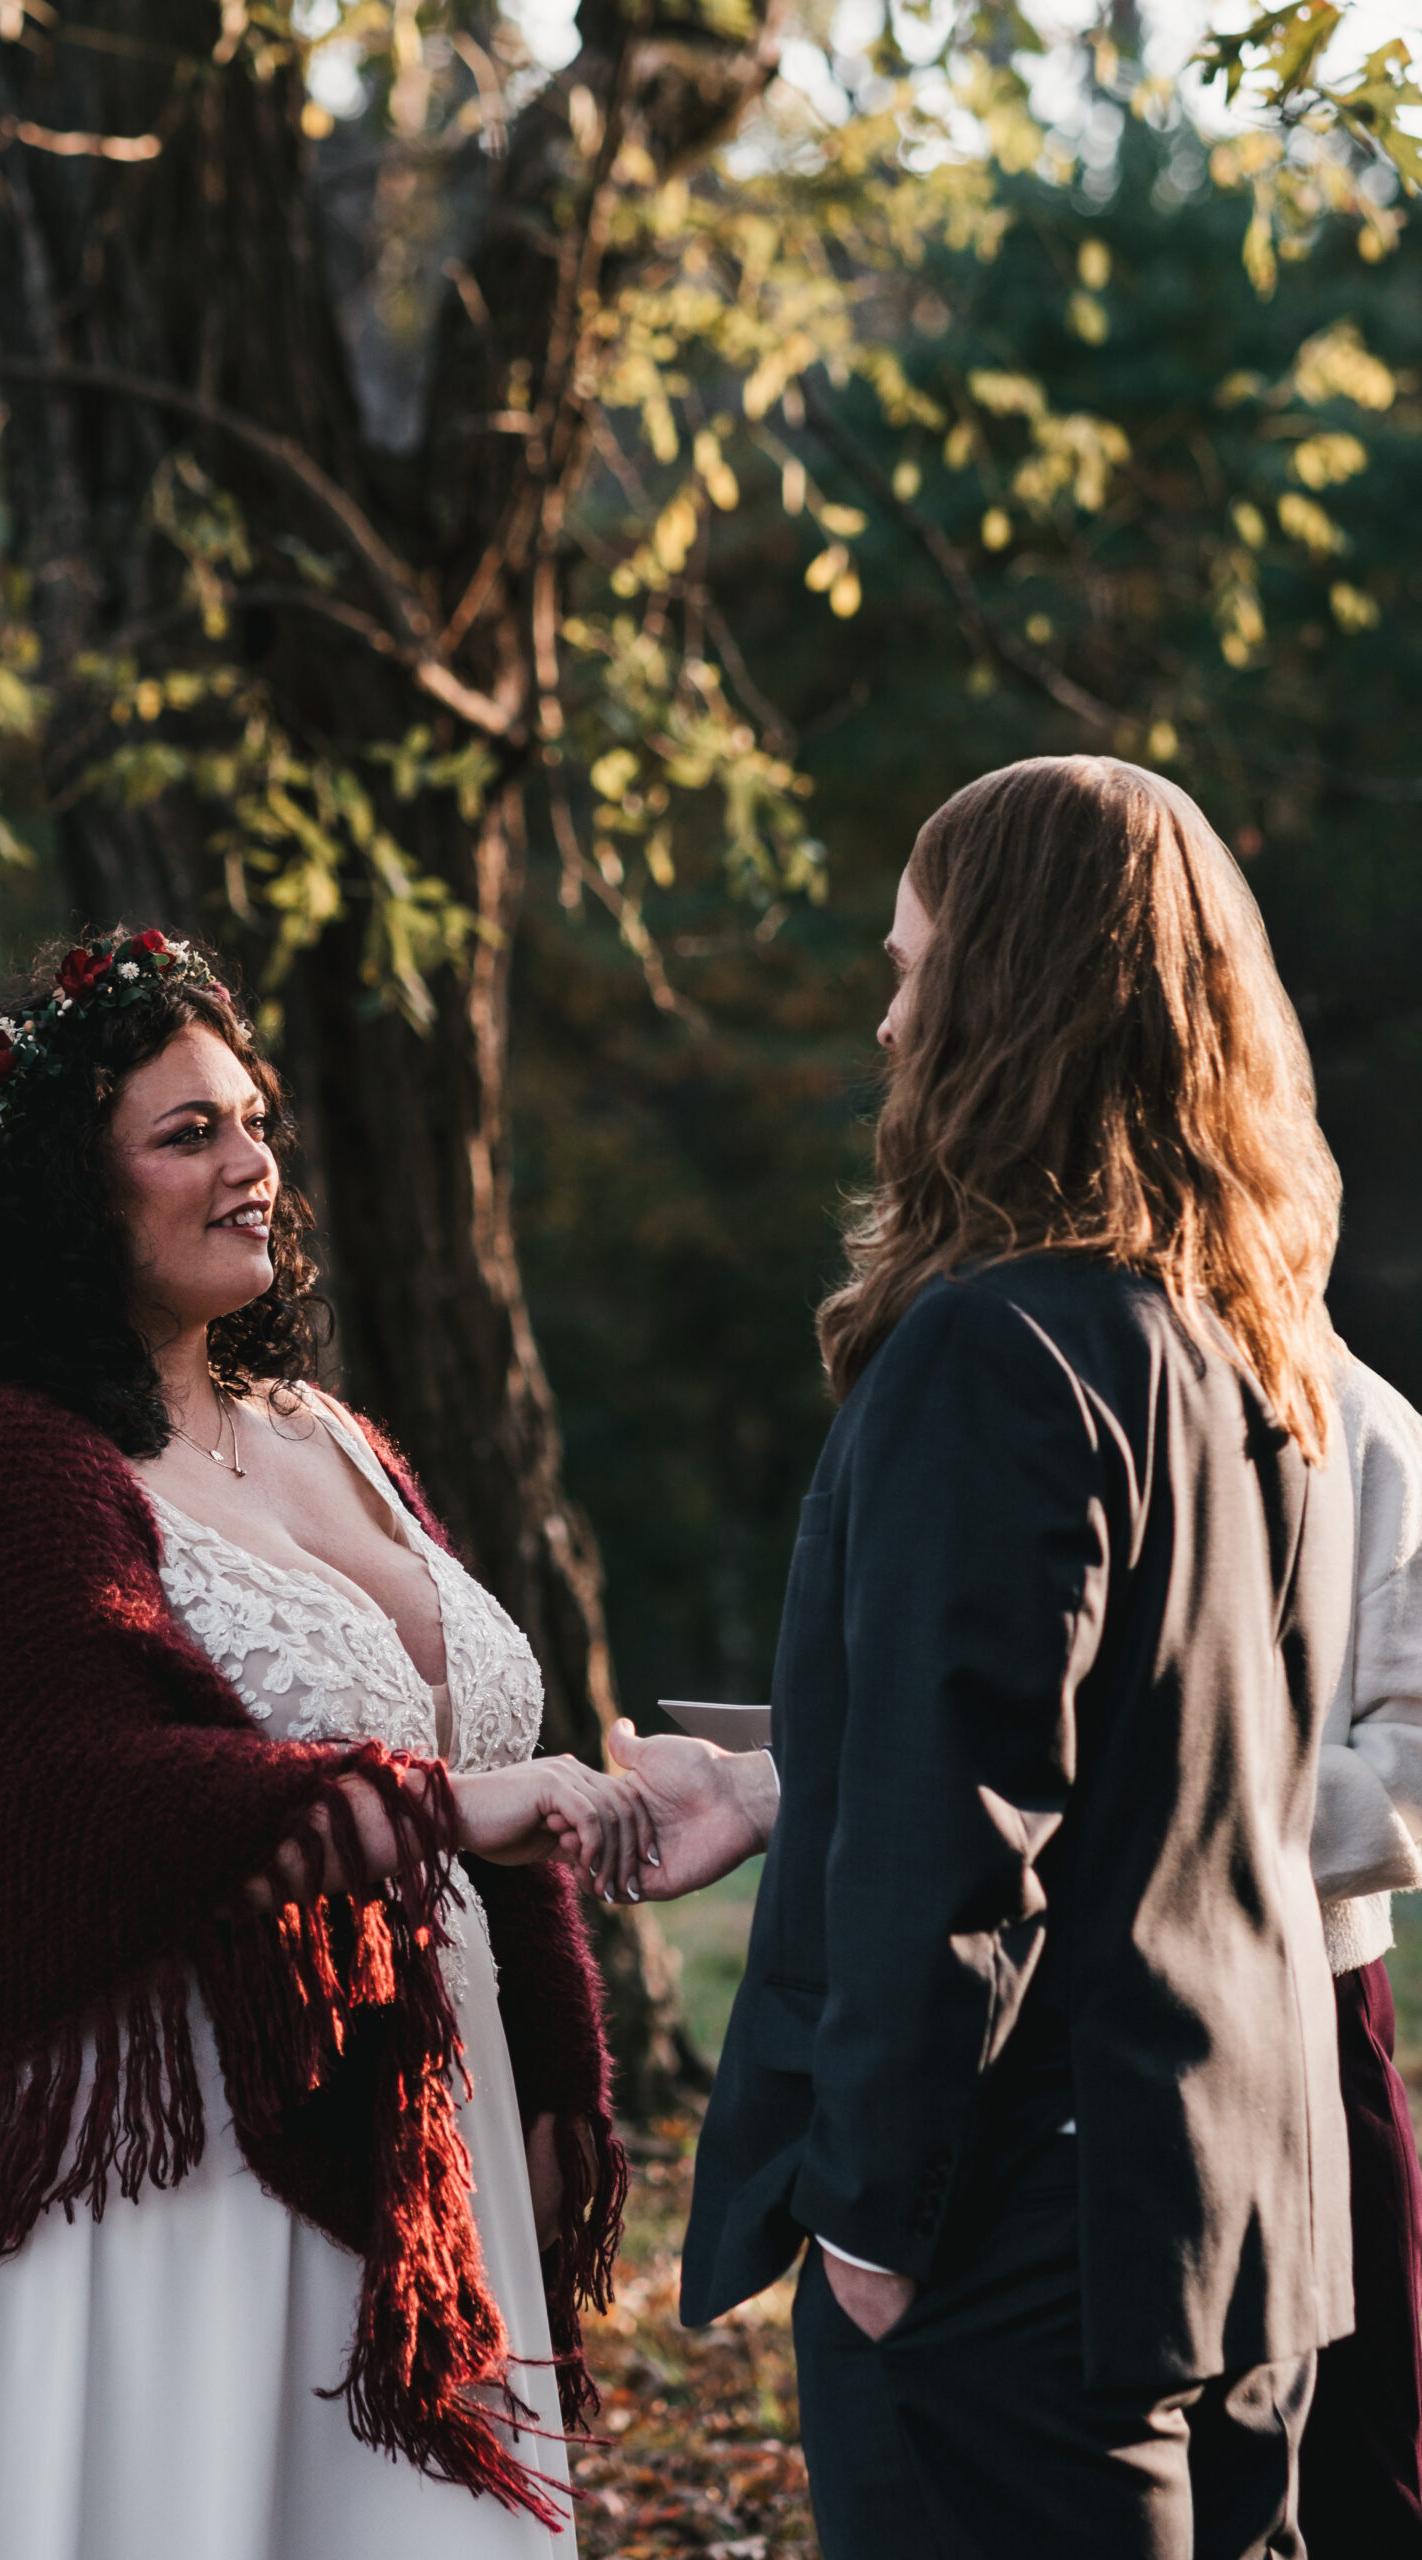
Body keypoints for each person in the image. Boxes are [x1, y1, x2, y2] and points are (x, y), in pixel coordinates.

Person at [0, 927, 652, 2560]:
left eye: (256, 1121)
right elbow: (60, 1799)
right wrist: (461, 1807)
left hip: (435, 2113)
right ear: (69, 1197)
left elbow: (466, 1720)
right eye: (188, 1133)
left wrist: (561, 2055)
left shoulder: (323, 1432)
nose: (252, 1166)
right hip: (169, 2172)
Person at [612, 756, 1356, 2559]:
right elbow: (1149, 1757)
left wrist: (870, 2220)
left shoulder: (992, 1351)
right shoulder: (1241, 1348)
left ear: (998, 992)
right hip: (1236, 2215)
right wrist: (788, 1778)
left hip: (1022, 2242)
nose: (884, 1018)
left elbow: (974, 1828)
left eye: (908, 965)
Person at [1300, 1353, 1422, 2557]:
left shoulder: (1363, 1420)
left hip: (1307, 1992)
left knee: (1352, 2443)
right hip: (1036, 2015)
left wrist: (1169, 1819)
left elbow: (1409, 1776)